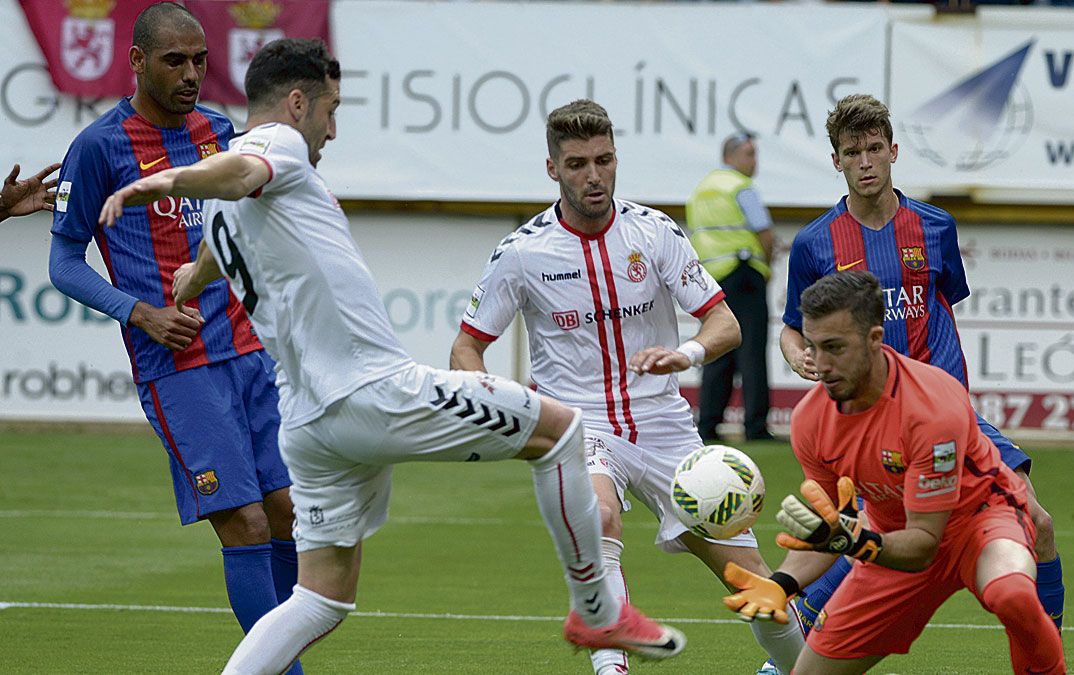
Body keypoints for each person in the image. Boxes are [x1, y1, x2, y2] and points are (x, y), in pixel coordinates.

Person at [102, 40, 685, 673]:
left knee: (319, 599)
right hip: (372, 393)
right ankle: (597, 614)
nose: (333, 126)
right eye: (331, 108)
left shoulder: (222, 203)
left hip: (308, 424)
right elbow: (241, 173)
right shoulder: (275, 147)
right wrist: (162, 179)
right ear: (297, 103)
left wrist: (192, 278)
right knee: (564, 431)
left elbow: (223, 234)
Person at [451, 99, 805, 675]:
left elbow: (725, 324)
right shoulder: (522, 252)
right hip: (579, 426)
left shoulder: (654, 231)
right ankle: (610, 668)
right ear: (552, 169)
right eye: (577, 164)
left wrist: (684, 353)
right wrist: (503, 405)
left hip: (666, 427)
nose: (593, 176)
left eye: (604, 160)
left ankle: (799, 668)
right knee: (601, 517)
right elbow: (467, 348)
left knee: (756, 583)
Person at [47, 3, 299, 665]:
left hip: (249, 353)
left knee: (289, 513)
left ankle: (279, 656)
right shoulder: (101, 146)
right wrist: (142, 313)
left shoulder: (219, 130)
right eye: (174, 61)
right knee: (243, 522)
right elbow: (64, 262)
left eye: (199, 60)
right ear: (136, 62)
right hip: (179, 366)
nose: (191, 73)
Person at [773, 94, 1065, 641]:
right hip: (870, 423)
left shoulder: (934, 227)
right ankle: (792, 634)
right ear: (836, 160)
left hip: (950, 417)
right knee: (864, 536)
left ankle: (1047, 643)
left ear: (894, 152)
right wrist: (799, 354)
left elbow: (944, 302)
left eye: (875, 149)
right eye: (852, 151)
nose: (865, 162)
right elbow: (794, 326)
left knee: (1039, 523)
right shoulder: (815, 242)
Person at [729, 270, 1066, 674]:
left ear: (875, 339)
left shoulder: (931, 406)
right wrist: (780, 583)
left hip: (981, 520)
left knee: (1011, 592)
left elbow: (923, 542)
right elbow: (834, 527)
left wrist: (858, 543)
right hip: (890, 537)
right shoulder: (810, 421)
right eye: (814, 348)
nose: (821, 365)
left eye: (835, 348)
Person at [686, 132, 776, 442]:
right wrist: (765, 268)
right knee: (751, 351)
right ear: (731, 156)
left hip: (713, 279)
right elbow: (765, 234)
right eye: (750, 154)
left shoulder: (700, 191)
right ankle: (755, 426)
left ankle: (708, 425)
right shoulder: (742, 187)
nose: (755, 161)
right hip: (745, 272)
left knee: (717, 349)